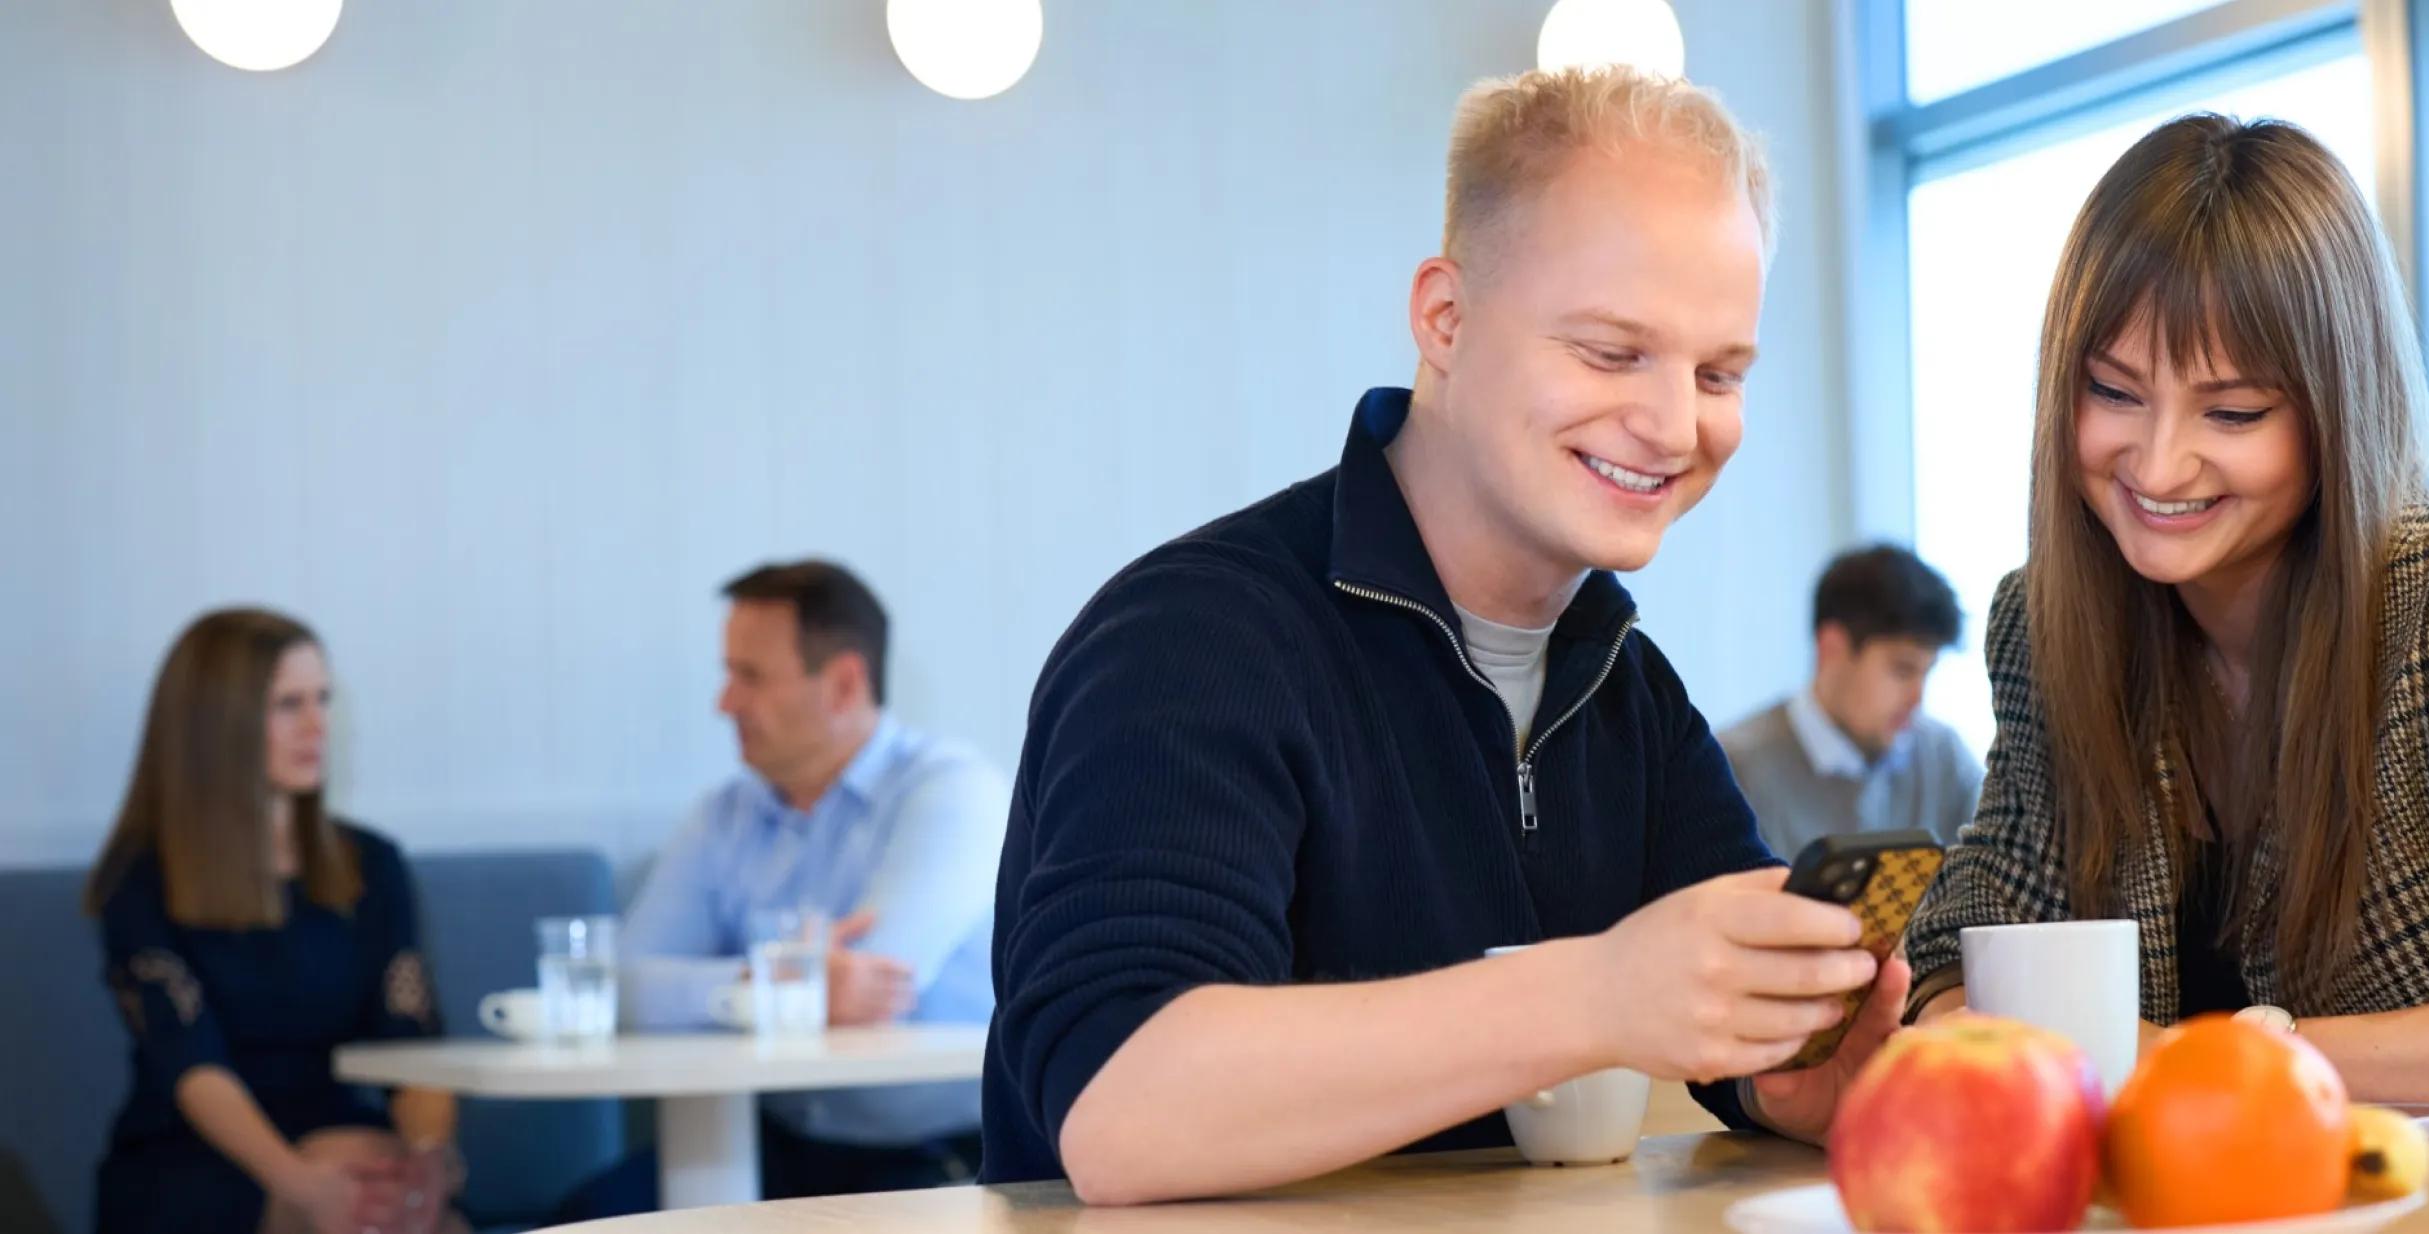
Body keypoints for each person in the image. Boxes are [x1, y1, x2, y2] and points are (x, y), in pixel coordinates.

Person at [981, 67, 1906, 1204]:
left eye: (1719, 372)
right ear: (1446, 318)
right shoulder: (1191, 637)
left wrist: (1776, 1072)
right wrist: (1599, 995)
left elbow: (1717, 1001)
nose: (1675, 424)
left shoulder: (1627, 685)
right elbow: (1119, 1109)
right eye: (1613, 352)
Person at [1902, 114, 2429, 1122]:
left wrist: (2222, 1060)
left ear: (2336, 409)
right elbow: (1959, 971)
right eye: (2114, 392)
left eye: (2233, 413)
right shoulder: (2048, 627)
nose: (2160, 463)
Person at [570, 561, 1010, 1213]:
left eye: (749, 676)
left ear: (842, 684)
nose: (725, 703)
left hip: (936, 1158)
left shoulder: (951, 791)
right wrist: (760, 988)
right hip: (764, 1145)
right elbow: (616, 988)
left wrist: (753, 986)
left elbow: (873, 983)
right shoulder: (724, 816)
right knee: (581, 1221)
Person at [86, 609, 468, 1234]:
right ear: (218, 725)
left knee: (402, 1198)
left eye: (323, 699)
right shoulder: (141, 879)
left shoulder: (370, 863)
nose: (319, 726)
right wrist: (302, 1184)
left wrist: (429, 1157)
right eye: (289, 705)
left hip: (343, 1135)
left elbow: (414, 1047)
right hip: (196, 1157)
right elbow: (192, 1065)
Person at [1720, 545, 1982, 856]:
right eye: (1902, 670)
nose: (1917, 699)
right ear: (1832, 648)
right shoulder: (1735, 770)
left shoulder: (1944, 758)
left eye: (1926, 673)